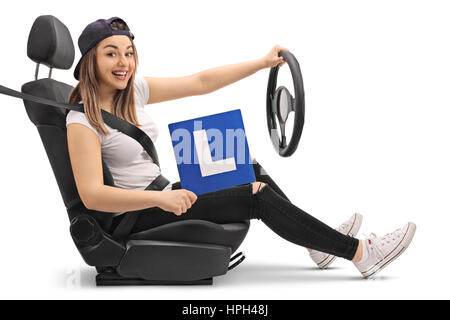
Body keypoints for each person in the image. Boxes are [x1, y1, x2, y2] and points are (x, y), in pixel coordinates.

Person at [66, 17, 416, 279]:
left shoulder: (133, 91)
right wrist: (161, 199)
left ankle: (316, 245)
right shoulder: (81, 119)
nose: (123, 63)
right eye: (110, 54)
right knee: (257, 194)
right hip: (138, 215)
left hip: (158, 195)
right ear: (89, 61)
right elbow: (93, 196)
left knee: (245, 164)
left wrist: (261, 63)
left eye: (128, 53)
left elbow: (200, 82)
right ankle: (361, 254)